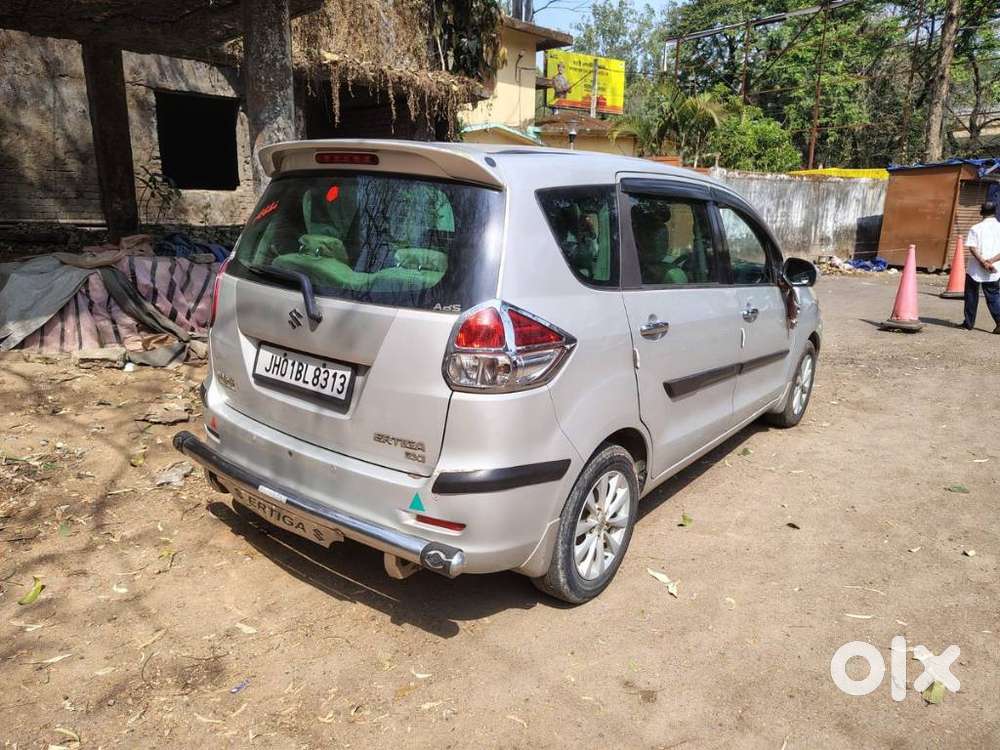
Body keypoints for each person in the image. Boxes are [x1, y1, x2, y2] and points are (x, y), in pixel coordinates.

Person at [961, 199, 1000, 333]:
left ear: (981, 212)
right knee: (993, 296)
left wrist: (983, 262)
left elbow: (972, 248)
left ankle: (969, 323)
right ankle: (999, 322)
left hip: (975, 269)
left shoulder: (976, 228)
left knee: (971, 296)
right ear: (995, 212)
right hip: (994, 269)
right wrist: (991, 261)